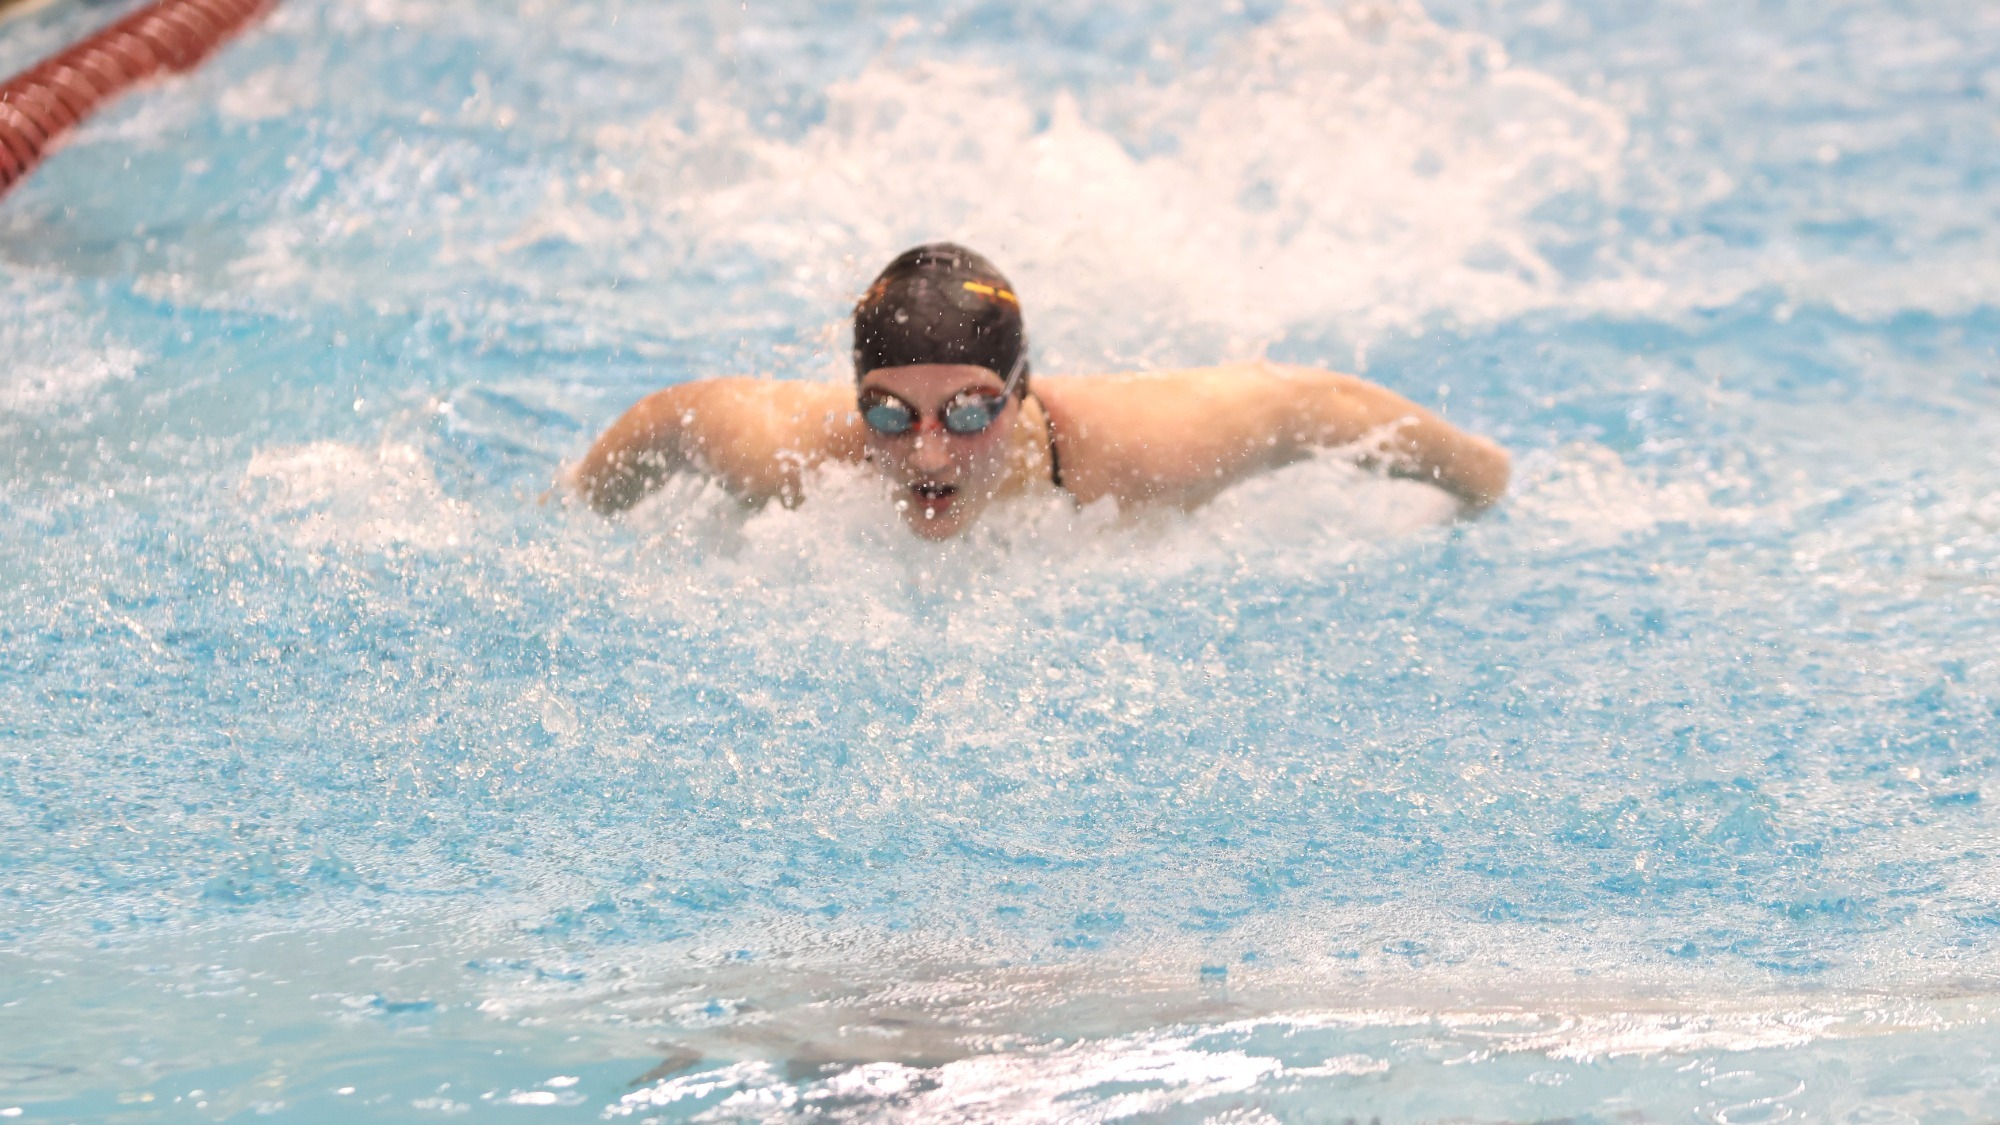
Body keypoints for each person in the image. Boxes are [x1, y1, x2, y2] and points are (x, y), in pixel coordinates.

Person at [571, 243, 1510, 540]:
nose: (929, 451)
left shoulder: (1140, 454)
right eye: (889, 412)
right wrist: (566, 515)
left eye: (972, 410)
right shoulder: (783, 454)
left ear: (1022, 395)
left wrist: (1478, 484)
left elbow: (1314, 405)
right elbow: (667, 420)